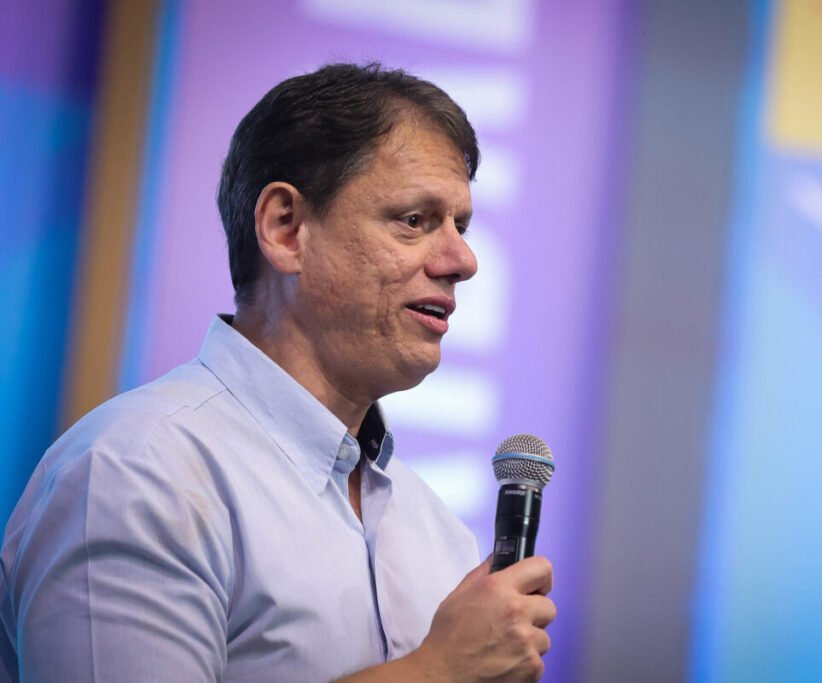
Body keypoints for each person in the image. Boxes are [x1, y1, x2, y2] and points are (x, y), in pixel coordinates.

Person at [0, 63, 555, 682]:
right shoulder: (137, 474)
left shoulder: (439, 534)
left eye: (461, 225)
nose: (463, 260)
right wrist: (438, 670)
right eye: (414, 220)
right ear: (286, 229)